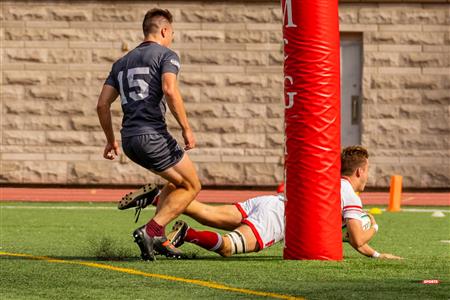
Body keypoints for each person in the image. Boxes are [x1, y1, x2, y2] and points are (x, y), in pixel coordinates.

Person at [124, 146, 402, 259]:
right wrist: (373, 227)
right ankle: (188, 234)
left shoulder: (331, 182)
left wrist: (377, 254)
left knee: (206, 212)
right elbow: (355, 237)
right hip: (277, 219)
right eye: (368, 171)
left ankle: (160, 197)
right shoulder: (350, 193)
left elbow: (354, 241)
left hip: (271, 202)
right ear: (360, 171)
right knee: (229, 247)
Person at [96, 8, 201, 261]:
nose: (172, 38)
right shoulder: (166, 55)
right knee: (193, 185)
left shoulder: (121, 63)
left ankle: (160, 237)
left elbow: (102, 105)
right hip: (152, 135)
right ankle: (150, 230)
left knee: (177, 182)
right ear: (164, 30)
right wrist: (187, 128)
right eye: (172, 33)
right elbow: (169, 89)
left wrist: (111, 140)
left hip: (130, 141)